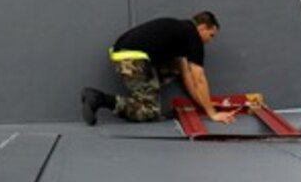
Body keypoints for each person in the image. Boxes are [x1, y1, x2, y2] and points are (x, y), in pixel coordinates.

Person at [81, 11, 236, 125]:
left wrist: (204, 105)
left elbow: (187, 76)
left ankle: (149, 99)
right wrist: (213, 114)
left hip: (125, 53)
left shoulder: (180, 31)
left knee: (175, 69)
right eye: (211, 35)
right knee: (149, 111)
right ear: (202, 28)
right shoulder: (192, 37)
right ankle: (99, 99)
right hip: (132, 59)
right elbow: (199, 78)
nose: (210, 41)